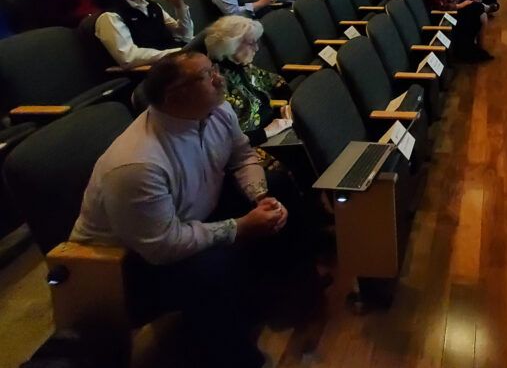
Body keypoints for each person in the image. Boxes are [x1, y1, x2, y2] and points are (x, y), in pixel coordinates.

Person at [70, 52, 322, 368]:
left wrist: (260, 197)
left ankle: (280, 288)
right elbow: (162, 246)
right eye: (206, 75)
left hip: (189, 218)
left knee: (277, 185)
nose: (220, 77)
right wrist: (241, 226)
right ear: (176, 95)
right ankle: (232, 356)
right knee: (213, 266)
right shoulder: (138, 164)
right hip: (128, 265)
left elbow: (242, 156)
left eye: (214, 69)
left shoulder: (217, 111)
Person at [204, 16, 295, 146]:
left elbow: (276, 81)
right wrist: (267, 132)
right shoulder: (216, 84)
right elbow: (225, 142)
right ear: (231, 46)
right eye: (251, 43)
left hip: (276, 127)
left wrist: (288, 104)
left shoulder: (242, 65)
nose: (257, 48)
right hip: (255, 146)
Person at [95, 0, 193, 68]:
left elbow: (185, 35)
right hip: (155, 71)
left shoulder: (152, 6)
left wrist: (180, 6)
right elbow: (128, 57)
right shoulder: (111, 16)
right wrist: (176, 53)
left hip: (176, 61)